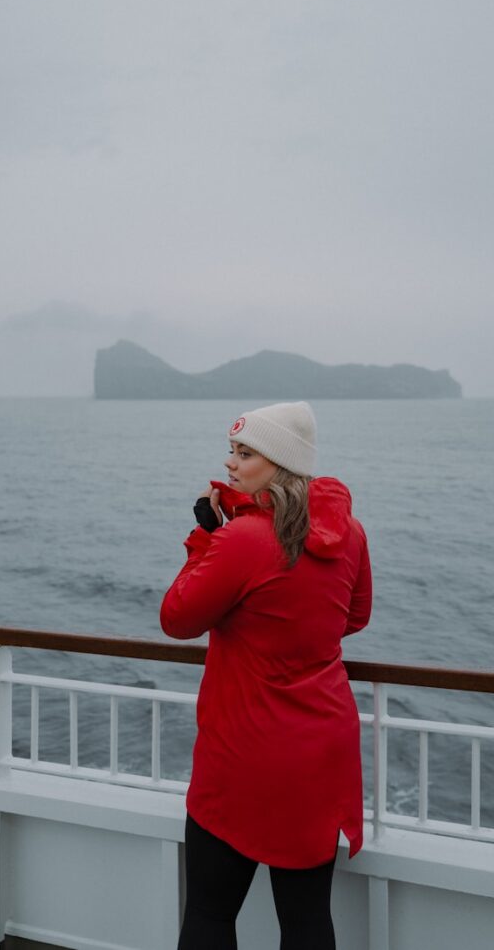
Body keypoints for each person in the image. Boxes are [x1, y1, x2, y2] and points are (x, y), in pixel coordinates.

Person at [160, 401, 373, 950]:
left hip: (245, 752)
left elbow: (178, 618)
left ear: (279, 464)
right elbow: (355, 616)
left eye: (245, 453)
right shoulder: (349, 532)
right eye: (231, 450)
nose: (230, 464)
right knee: (306, 920)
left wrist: (204, 534)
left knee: (209, 911)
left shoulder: (244, 539)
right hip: (319, 754)